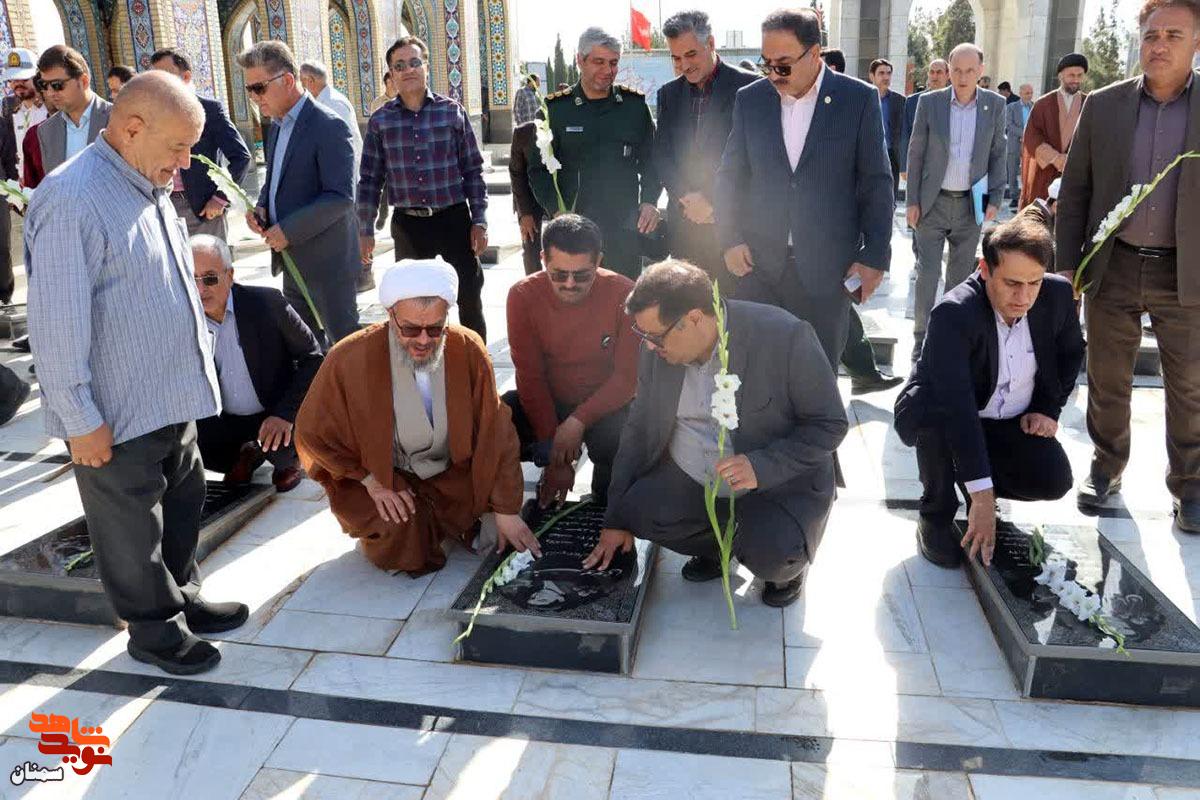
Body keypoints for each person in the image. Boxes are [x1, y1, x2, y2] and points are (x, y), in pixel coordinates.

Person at [26, 72, 245, 676]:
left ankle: (183, 598)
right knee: (131, 529)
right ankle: (154, 631)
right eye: (178, 147)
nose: (186, 163)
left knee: (181, 503)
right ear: (131, 128)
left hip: (169, 396)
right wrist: (79, 419)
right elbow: (56, 324)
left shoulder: (147, 183)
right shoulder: (72, 200)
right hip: (115, 411)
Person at [586, 260, 847, 607]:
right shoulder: (657, 352)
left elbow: (830, 424)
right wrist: (615, 518)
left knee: (773, 556)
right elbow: (638, 429)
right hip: (694, 476)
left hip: (773, 486)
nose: (649, 346)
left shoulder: (784, 336)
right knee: (638, 511)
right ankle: (718, 546)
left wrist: (762, 465)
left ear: (695, 318)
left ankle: (781, 563)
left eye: (655, 336)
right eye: (643, 335)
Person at [1057, 0, 1200, 531]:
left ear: (1197, 42)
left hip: (1185, 272)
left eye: (1174, 35)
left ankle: (1191, 484)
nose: (1159, 45)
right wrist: (1067, 268)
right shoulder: (1105, 105)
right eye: (1151, 35)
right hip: (1112, 265)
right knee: (1107, 378)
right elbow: (1076, 190)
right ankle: (1106, 466)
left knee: (1189, 385)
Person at [295, 259, 536, 573]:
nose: (423, 340)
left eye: (435, 329)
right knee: (402, 539)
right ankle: (431, 526)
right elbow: (311, 432)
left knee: (499, 529)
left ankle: (454, 521)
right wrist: (371, 481)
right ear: (390, 314)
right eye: (410, 329)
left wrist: (506, 508)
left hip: (452, 474)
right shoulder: (349, 357)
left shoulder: (467, 348)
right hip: (385, 474)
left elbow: (497, 430)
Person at [895, 212, 1083, 567]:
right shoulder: (954, 314)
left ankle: (977, 480)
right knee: (932, 415)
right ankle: (935, 513)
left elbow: (1071, 351)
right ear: (985, 269)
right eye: (1012, 283)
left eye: (1034, 283)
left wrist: (1048, 408)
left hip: (1008, 419)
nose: (1024, 296)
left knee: (1053, 479)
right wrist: (982, 497)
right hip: (947, 413)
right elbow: (958, 408)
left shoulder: (1056, 295)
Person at [714, 7, 893, 370]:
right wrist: (729, 239)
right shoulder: (751, 99)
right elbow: (730, 176)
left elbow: (876, 182)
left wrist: (874, 256)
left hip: (827, 273)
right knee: (755, 376)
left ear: (814, 53)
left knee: (817, 377)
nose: (772, 75)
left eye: (783, 65)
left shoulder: (857, 99)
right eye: (766, 64)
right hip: (759, 269)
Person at [357, 36, 490, 338]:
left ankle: (476, 360)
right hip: (409, 226)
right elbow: (370, 180)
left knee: (469, 296)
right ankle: (419, 360)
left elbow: (472, 170)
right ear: (391, 75)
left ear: (426, 66)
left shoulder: (451, 112)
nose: (408, 70)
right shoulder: (381, 122)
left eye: (414, 62)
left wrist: (479, 220)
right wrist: (365, 229)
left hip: (454, 220)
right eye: (399, 66)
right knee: (412, 304)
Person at [504, 214, 638, 504]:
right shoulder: (522, 296)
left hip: (605, 404)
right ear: (543, 259)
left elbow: (627, 379)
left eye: (582, 275)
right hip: (550, 398)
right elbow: (530, 376)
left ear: (598, 261)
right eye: (559, 274)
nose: (569, 284)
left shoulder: (624, 294)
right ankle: (507, 505)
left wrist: (578, 421)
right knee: (498, 423)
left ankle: (605, 498)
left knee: (625, 440)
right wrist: (556, 455)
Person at [240, 41, 360, 345]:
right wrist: (262, 207)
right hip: (291, 263)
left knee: (344, 349)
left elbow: (340, 196)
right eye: (249, 90)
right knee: (307, 350)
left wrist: (289, 230)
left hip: (327, 267)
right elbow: (275, 179)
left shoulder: (329, 125)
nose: (254, 97)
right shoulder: (277, 126)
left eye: (259, 88)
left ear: (288, 80)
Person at [526, 27, 662, 280]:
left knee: (624, 296)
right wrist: (556, 211)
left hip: (623, 229)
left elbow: (652, 161)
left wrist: (650, 200)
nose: (608, 70)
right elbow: (537, 169)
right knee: (577, 295)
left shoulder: (633, 107)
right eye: (599, 62)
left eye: (613, 63)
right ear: (580, 60)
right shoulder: (556, 110)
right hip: (575, 231)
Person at [191, 234, 322, 493]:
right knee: (194, 449)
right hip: (225, 419)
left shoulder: (267, 303)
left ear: (229, 275)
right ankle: (247, 452)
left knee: (283, 455)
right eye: (191, 279)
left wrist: (285, 414)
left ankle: (290, 459)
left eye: (210, 278)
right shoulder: (185, 318)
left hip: (275, 411)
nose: (201, 289)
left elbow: (314, 358)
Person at [905, 43, 1007, 361]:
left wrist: (995, 197)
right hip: (932, 202)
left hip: (971, 204)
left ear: (980, 71)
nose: (963, 78)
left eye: (969, 71)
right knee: (927, 273)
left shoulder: (995, 105)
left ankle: (949, 335)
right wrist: (912, 200)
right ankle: (921, 338)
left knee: (960, 276)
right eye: (957, 70)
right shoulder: (930, 102)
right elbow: (916, 152)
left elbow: (998, 154)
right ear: (948, 70)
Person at [655, 10, 757, 287]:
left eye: (691, 54)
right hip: (685, 228)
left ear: (711, 43)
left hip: (734, 231)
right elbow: (662, 156)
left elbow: (755, 158)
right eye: (676, 58)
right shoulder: (668, 94)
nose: (684, 65)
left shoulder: (751, 88)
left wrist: (711, 201)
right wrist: (687, 197)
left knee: (733, 309)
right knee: (689, 307)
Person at [150, 48, 252, 240]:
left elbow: (241, 158)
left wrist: (220, 198)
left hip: (203, 210)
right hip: (164, 207)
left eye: (166, 75)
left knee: (211, 259)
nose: (160, 83)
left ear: (186, 76)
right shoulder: (152, 115)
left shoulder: (209, 110)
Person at [1020, 53, 1088, 208]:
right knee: (1041, 217)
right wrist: (1056, 158)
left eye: (1079, 75)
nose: (1076, 79)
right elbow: (1031, 136)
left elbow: (1096, 139)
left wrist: (1073, 161)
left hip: (1075, 175)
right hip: (1045, 172)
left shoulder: (1089, 103)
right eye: (1071, 75)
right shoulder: (1043, 104)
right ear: (1060, 76)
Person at [35, 45, 111, 178]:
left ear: (84, 81)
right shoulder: (46, 131)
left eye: (57, 85)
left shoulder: (118, 119)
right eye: (44, 85)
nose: (50, 93)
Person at [299, 60, 363, 183]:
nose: (301, 87)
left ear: (310, 81)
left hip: (342, 177)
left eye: (301, 82)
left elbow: (344, 146)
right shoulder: (322, 101)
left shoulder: (334, 104)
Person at [900, 59, 949, 180]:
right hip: (919, 166)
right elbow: (905, 134)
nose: (934, 76)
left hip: (948, 167)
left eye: (939, 72)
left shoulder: (955, 101)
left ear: (948, 75)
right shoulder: (912, 101)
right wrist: (904, 166)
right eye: (931, 72)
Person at [509, 117, 546, 275]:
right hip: (529, 198)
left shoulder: (565, 127)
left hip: (559, 195)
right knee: (531, 248)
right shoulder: (524, 133)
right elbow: (517, 174)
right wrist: (524, 213)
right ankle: (534, 284)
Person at [4, 49, 48, 182]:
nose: (18, 84)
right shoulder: (14, 113)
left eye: (23, 79)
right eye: (13, 80)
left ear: (37, 78)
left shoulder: (51, 109)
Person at [870, 58, 906, 198]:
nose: (886, 77)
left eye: (889, 73)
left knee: (891, 196)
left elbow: (905, 133)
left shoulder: (900, 101)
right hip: (868, 154)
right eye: (881, 73)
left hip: (891, 155)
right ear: (872, 76)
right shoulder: (863, 98)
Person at [1005, 83, 1034, 209]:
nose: (1029, 96)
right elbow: (1009, 125)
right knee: (1012, 171)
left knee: (1028, 171)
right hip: (1014, 143)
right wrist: (1024, 134)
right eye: (1027, 93)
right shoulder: (1011, 107)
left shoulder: (1034, 106)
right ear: (1020, 93)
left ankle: (1027, 196)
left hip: (1030, 145)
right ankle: (1014, 197)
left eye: (1031, 93)